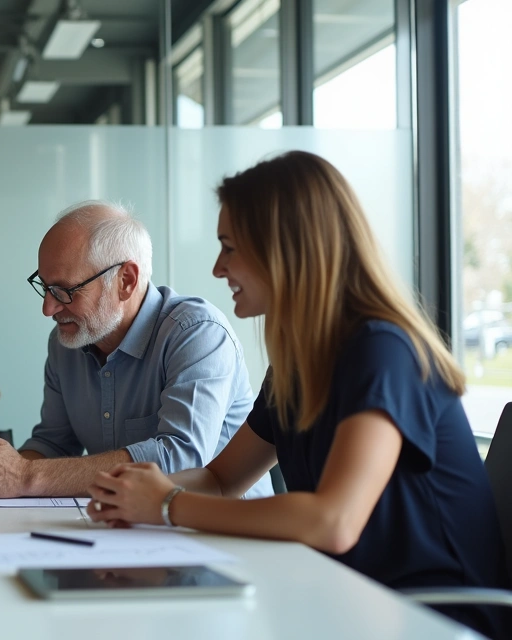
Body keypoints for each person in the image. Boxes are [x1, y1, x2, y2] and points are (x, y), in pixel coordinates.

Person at [86, 151, 508, 638]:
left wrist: (166, 506)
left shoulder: (381, 350)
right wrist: (133, 494)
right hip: (348, 598)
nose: (218, 269)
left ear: (283, 249)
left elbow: (334, 520)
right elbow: (224, 478)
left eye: (229, 247)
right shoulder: (301, 362)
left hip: (432, 617)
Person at [0, 202, 271, 499]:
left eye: (65, 290)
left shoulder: (197, 333)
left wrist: (24, 476)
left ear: (125, 280)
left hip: (225, 538)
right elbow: (54, 445)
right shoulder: (67, 342)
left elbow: (180, 457)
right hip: (129, 528)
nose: (48, 308)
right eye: (44, 286)